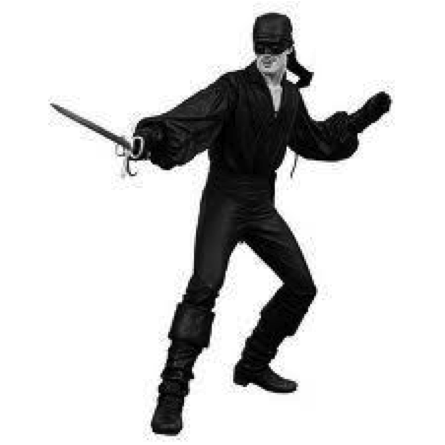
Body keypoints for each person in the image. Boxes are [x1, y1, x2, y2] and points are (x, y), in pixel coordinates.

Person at [133, 12, 391, 435]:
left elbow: (315, 139)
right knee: (204, 286)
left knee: (302, 286)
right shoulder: (231, 88)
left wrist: (360, 120)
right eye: (260, 47)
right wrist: (154, 138)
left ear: (290, 48)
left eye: (274, 47)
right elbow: (191, 118)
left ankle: (253, 364)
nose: (267, 55)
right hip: (224, 199)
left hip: (260, 203)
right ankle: (171, 394)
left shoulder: (290, 97)